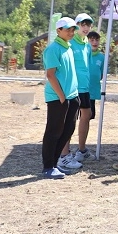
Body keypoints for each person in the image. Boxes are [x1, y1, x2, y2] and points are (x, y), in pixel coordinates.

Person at [41, 17, 80, 178]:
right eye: (67, 29)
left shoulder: (68, 47)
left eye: (72, 29)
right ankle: (48, 166)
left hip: (72, 96)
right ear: (58, 31)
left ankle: (54, 163)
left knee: (68, 130)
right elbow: (50, 75)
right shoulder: (53, 49)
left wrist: (72, 95)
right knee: (54, 131)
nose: (71, 32)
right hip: (58, 98)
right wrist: (62, 97)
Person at [65, 12, 96, 164]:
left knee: (87, 115)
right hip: (72, 88)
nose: (85, 28)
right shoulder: (70, 44)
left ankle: (82, 150)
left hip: (84, 88)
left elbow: (87, 67)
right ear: (76, 26)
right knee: (69, 120)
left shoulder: (87, 45)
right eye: (82, 24)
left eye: (88, 25)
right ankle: (65, 153)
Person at [87, 30, 105, 117]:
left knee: (90, 115)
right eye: (92, 40)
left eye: (97, 40)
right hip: (82, 89)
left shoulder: (101, 57)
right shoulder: (83, 54)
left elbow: (102, 73)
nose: (95, 42)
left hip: (93, 90)